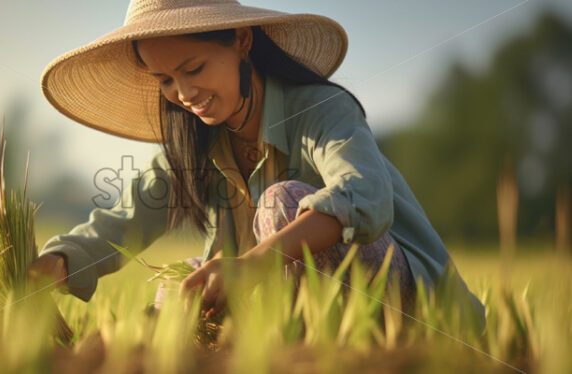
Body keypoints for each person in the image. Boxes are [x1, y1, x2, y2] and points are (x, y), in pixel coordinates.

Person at [29, 0, 485, 329]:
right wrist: (52, 263)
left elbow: (365, 197)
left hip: (416, 311)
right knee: (181, 289)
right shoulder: (194, 145)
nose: (183, 94)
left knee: (279, 203)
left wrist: (251, 264)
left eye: (194, 68)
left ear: (242, 41)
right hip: (300, 310)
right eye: (165, 80)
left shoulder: (321, 110)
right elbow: (122, 222)